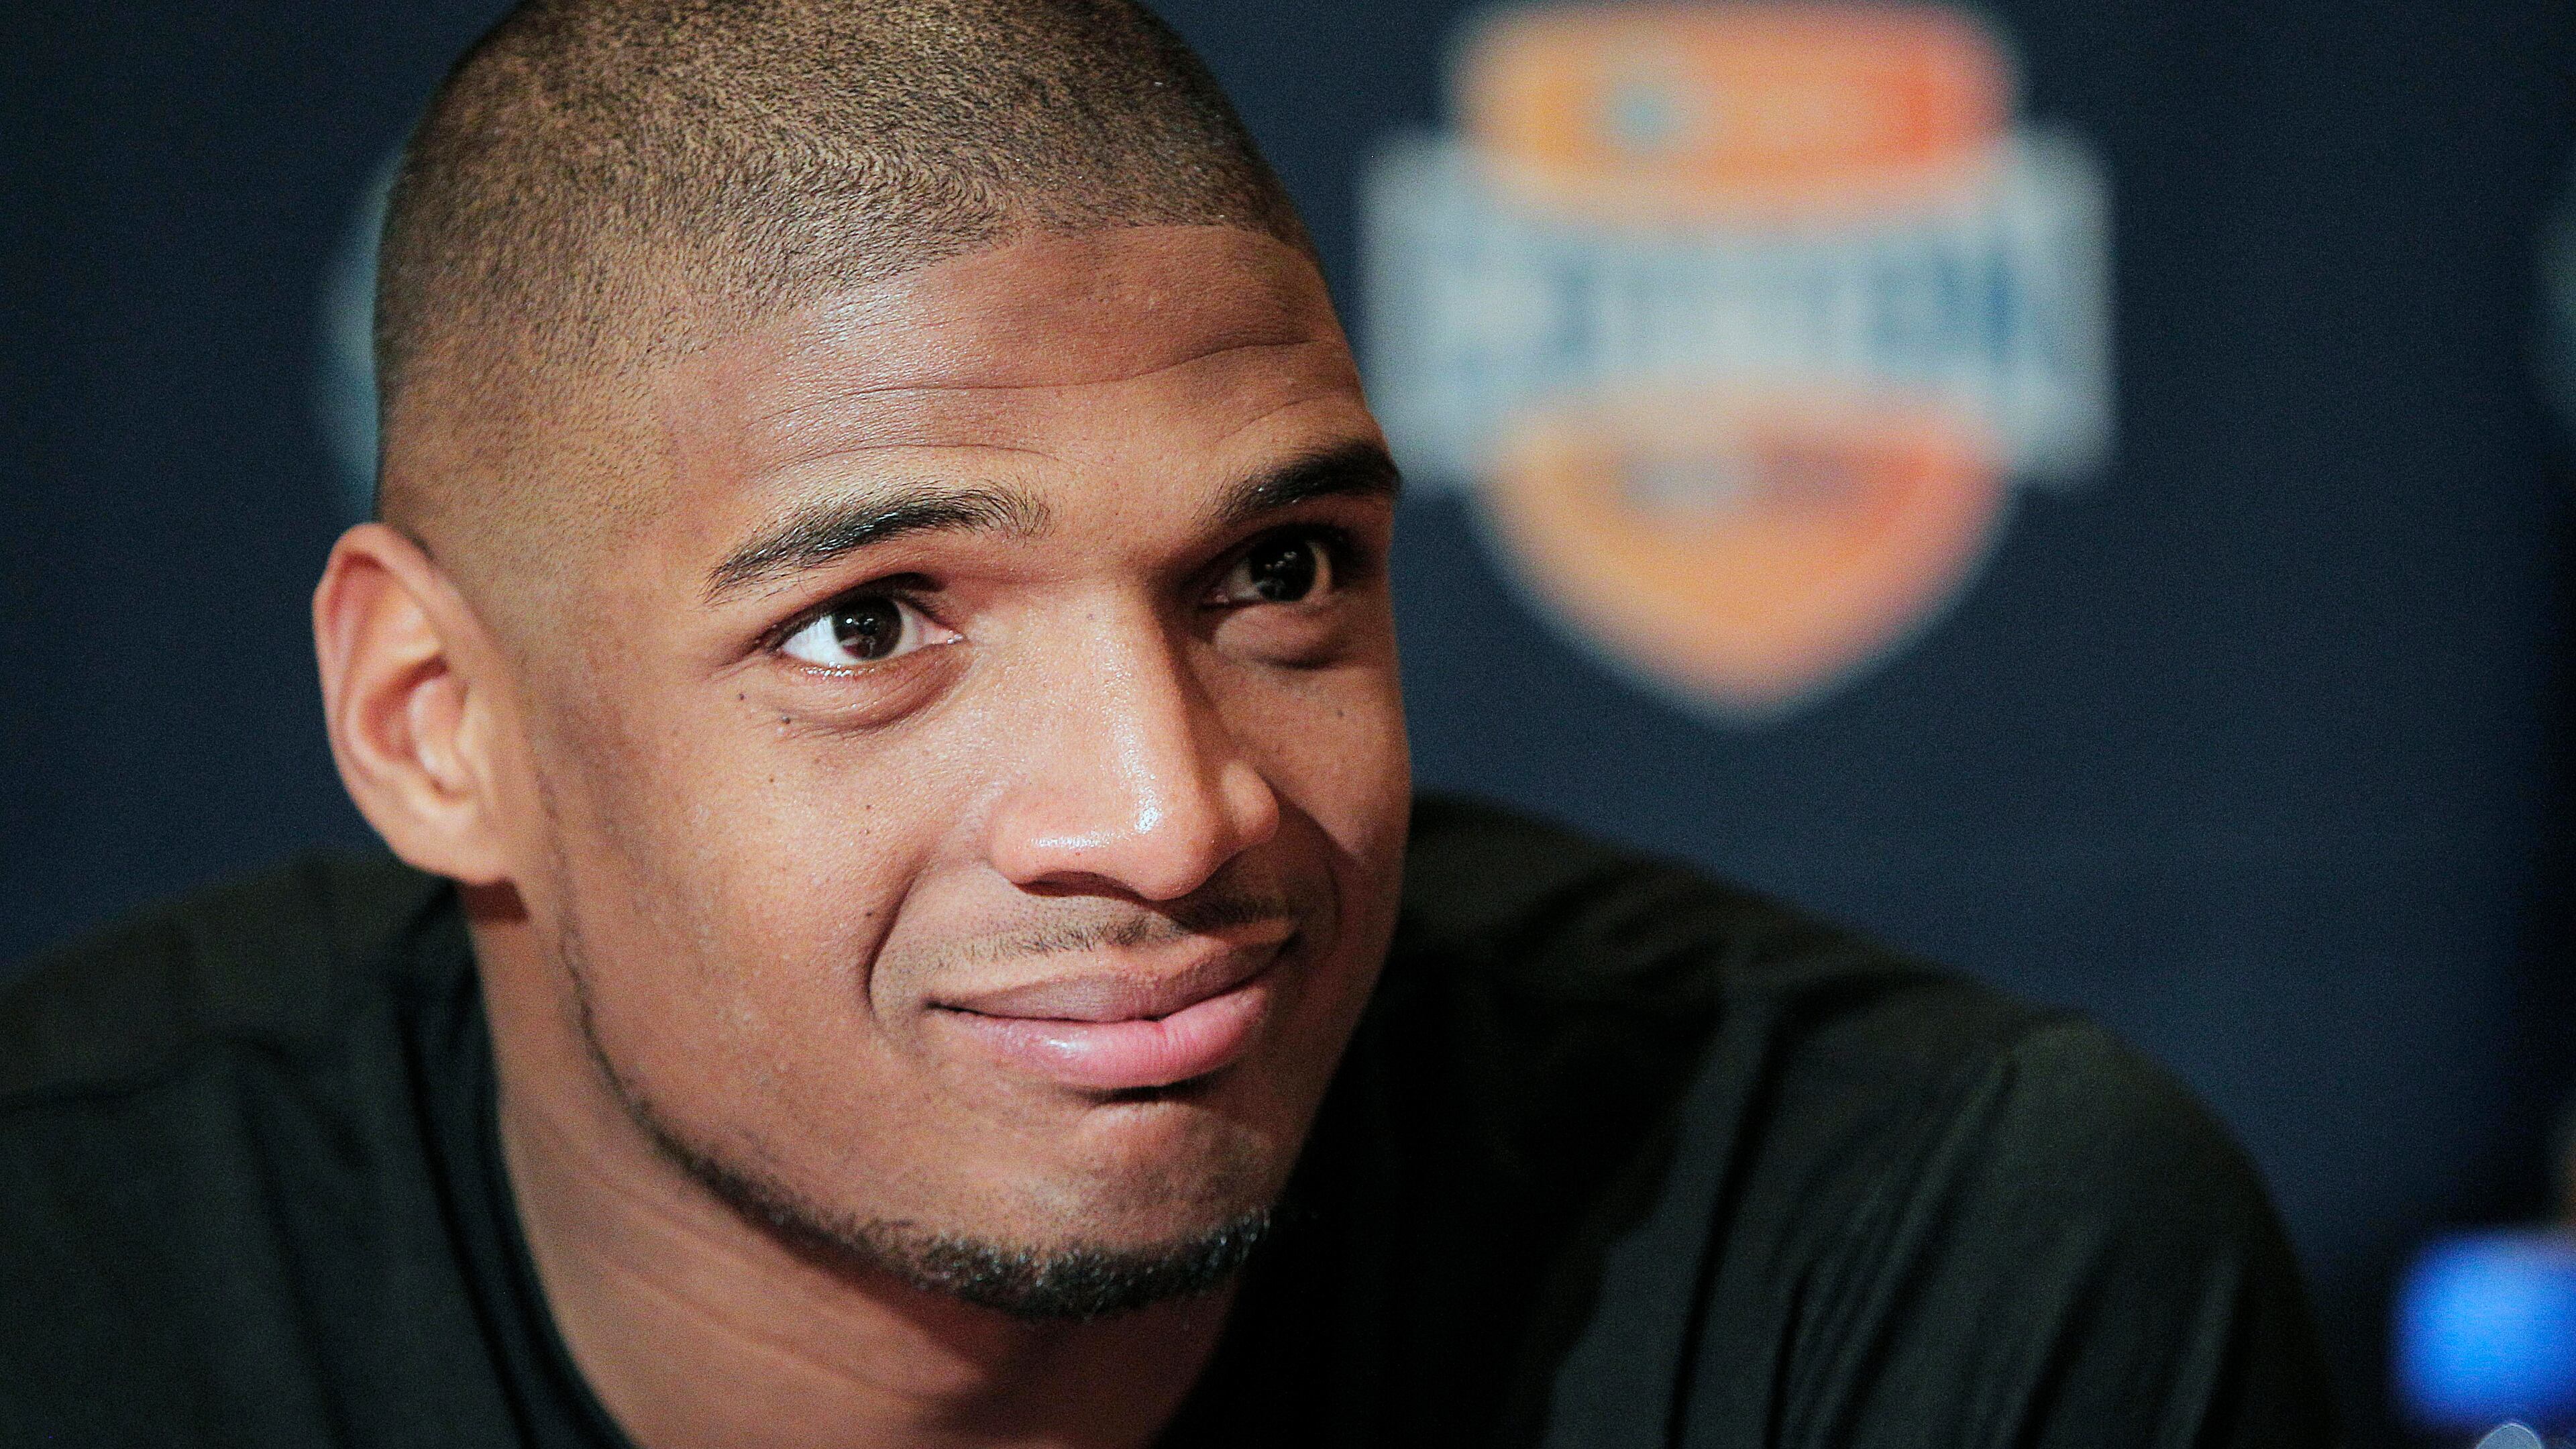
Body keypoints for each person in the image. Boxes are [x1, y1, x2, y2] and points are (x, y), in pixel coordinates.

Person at [0, 1, 2337, 1444]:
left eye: (1275, 574)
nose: (1172, 812)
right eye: (871, 624)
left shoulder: (1918, 1275)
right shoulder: (64, 1276)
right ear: (435, 727)